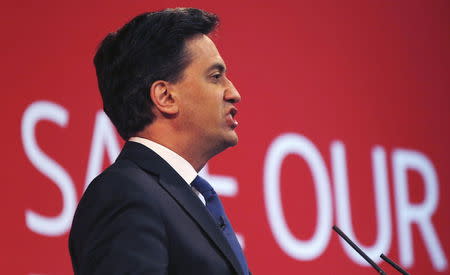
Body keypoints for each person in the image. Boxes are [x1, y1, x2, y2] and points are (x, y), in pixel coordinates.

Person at [68, 7, 250, 275]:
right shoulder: (125, 193)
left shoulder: (179, 196)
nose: (234, 93)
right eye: (215, 76)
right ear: (165, 96)